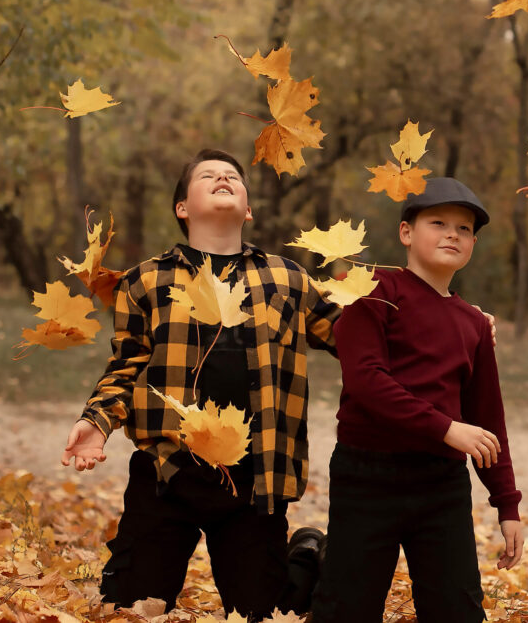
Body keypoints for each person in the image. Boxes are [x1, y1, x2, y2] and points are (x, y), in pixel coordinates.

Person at [60, 148, 339, 620]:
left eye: (232, 176)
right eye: (208, 175)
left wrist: (456, 322)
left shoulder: (286, 277)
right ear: (182, 208)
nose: (222, 178)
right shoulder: (146, 280)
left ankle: (304, 559)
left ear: (248, 208)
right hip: (169, 469)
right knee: (130, 608)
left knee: (266, 614)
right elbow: (127, 364)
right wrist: (98, 421)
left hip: (256, 477)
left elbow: (359, 336)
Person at [311, 177, 524, 623]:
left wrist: (507, 504)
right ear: (406, 232)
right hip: (367, 474)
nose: (452, 234)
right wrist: (447, 428)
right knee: (347, 608)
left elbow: (488, 416)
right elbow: (367, 381)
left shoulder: (474, 323)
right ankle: (308, 561)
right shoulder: (371, 290)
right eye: (438, 222)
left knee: (458, 609)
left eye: (464, 229)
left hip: (440, 483)